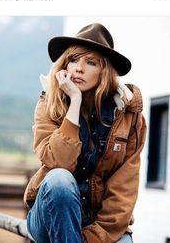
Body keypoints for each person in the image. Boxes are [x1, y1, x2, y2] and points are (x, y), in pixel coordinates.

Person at [23, 23, 147, 243]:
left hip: (102, 224)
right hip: (50, 212)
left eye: (90, 62)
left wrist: (91, 238)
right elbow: (59, 163)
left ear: (105, 71)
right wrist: (74, 103)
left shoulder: (129, 116)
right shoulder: (48, 104)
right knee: (59, 179)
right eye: (73, 60)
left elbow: (124, 189)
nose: (78, 68)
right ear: (64, 65)